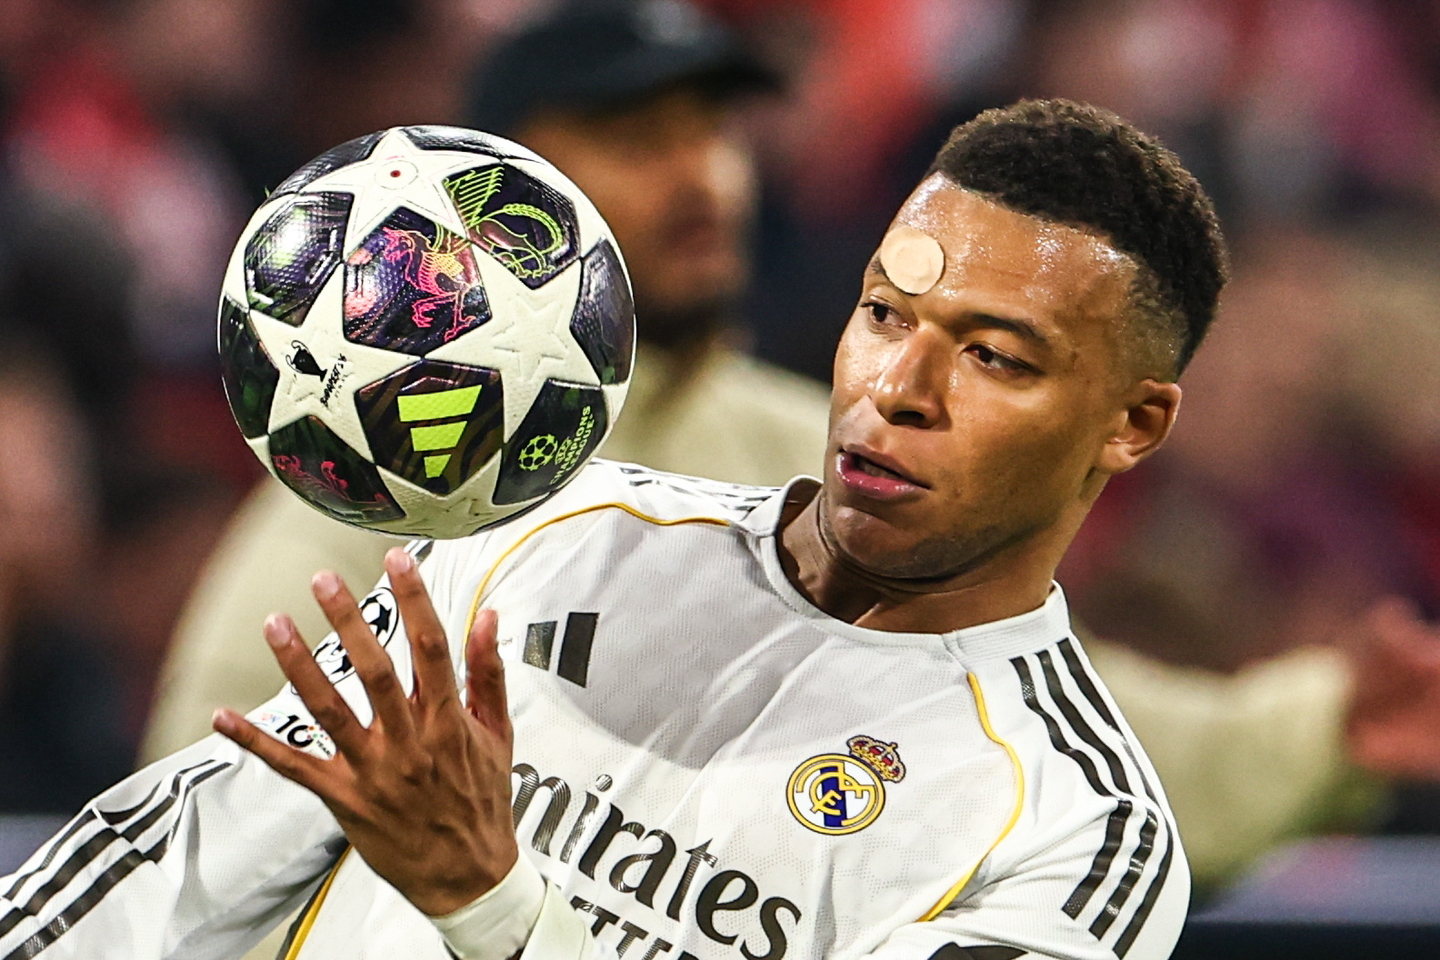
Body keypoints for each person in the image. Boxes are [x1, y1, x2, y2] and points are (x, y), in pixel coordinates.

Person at [4, 98, 1225, 959]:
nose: (898, 388)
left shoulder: (1075, 835)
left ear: (1133, 422)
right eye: (883, 313)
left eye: (995, 355)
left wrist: (494, 907)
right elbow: (177, 863)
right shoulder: (564, 529)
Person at [140, 0, 831, 763]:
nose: (704, 177)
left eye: (715, 132)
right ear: (500, 201)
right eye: (639, 143)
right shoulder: (387, 478)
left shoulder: (819, 445)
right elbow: (198, 793)